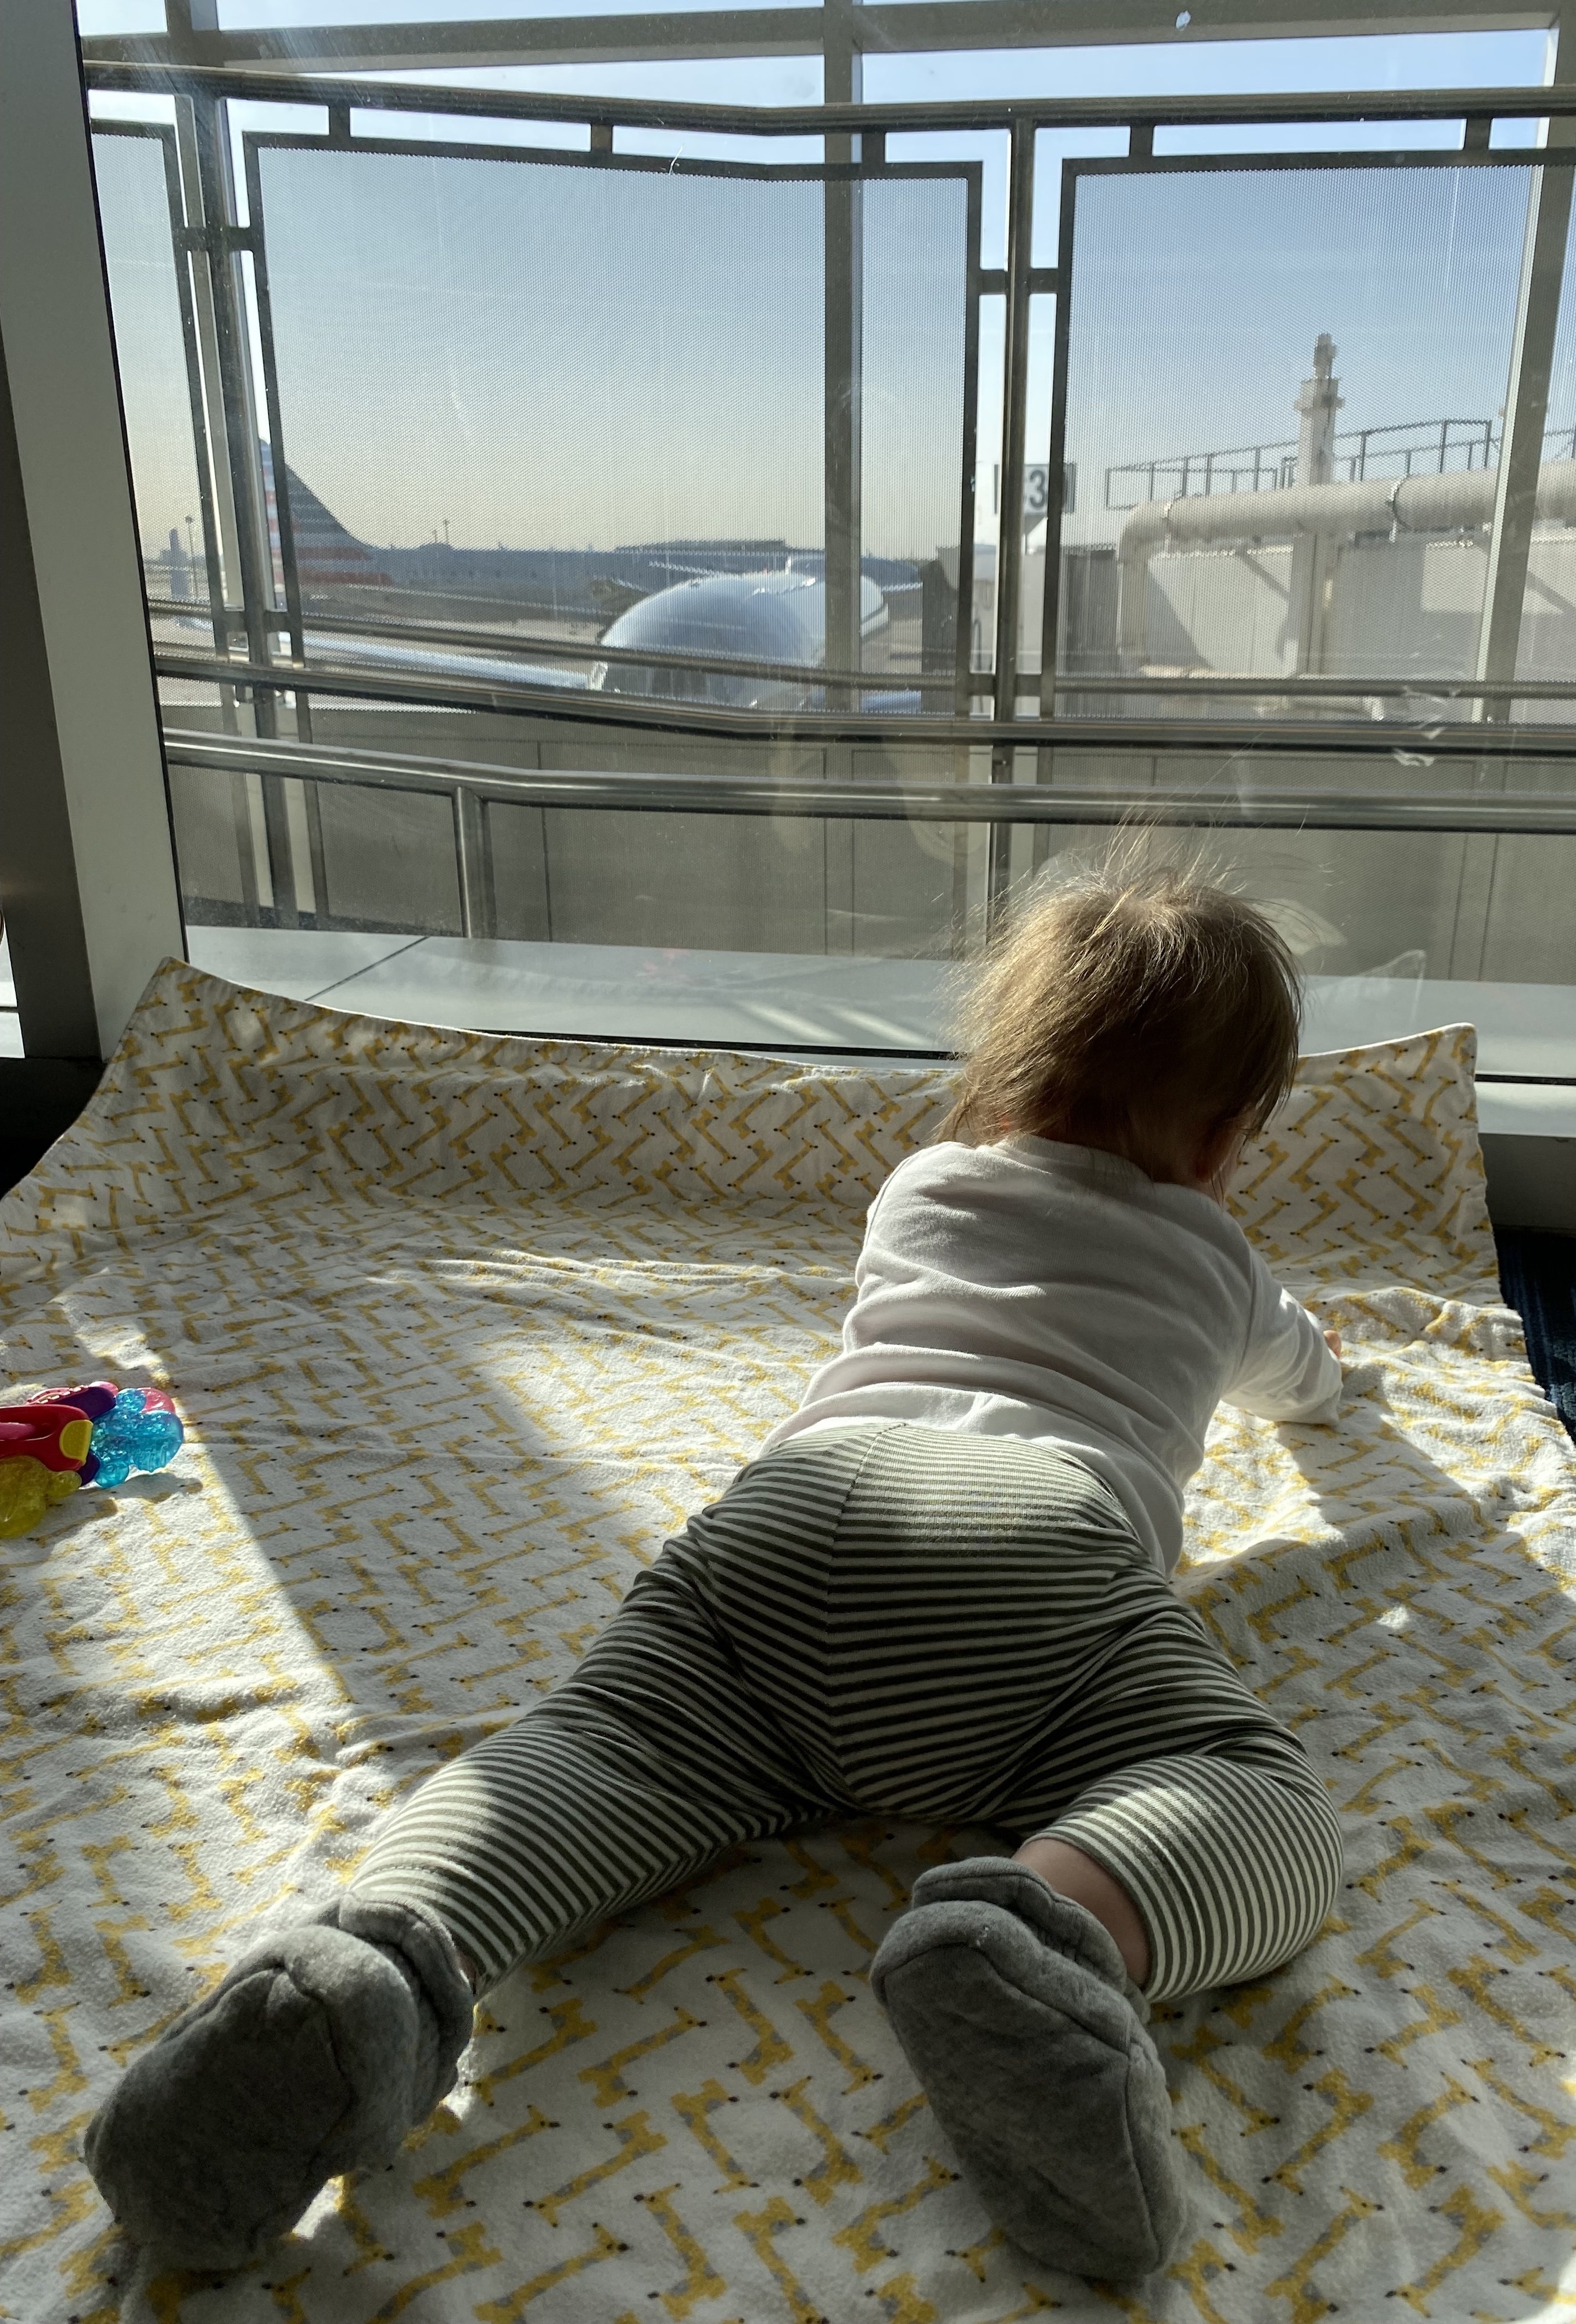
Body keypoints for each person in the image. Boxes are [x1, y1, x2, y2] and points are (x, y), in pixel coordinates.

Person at [84, 865, 1347, 2283]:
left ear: (1005, 1076)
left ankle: (381, 1959)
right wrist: (1323, 1381)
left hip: (789, 1527)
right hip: (1040, 1551)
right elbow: (1305, 1379)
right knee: (1250, 1792)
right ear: (1233, 1136)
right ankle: (1041, 1924)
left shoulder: (922, 1186)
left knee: (590, 1749)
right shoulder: (1223, 1262)